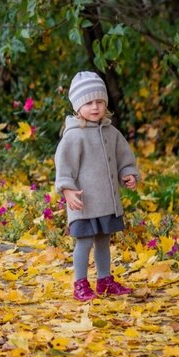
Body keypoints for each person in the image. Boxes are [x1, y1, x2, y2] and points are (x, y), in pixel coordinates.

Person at [54, 71, 141, 301]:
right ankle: (80, 283)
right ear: (78, 106)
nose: (95, 107)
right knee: (84, 243)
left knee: (104, 241)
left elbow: (124, 158)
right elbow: (64, 167)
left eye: (99, 101)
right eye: (89, 102)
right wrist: (67, 190)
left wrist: (128, 173)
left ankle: (104, 280)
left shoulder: (111, 132)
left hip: (105, 202)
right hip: (84, 202)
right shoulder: (74, 136)